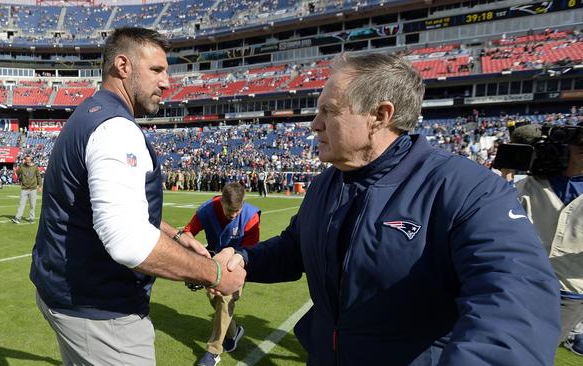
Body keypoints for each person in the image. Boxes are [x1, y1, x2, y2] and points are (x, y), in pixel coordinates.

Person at [220, 53, 561, 365]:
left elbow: (516, 306)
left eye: (329, 110)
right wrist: (245, 259)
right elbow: (296, 247)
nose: (314, 124)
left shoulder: (467, 189)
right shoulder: (327, 183)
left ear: (380, 116)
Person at [29, 27, 245, 366]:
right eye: (157, 70)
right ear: (123, 65)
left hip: (69, 294)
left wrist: (173, 234)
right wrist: (214, 274)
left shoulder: (92, 114)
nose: (167, 83)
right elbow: (127, 241)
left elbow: (110, 204)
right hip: (101, 311)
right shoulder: (115, 129)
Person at [510, 123, 583, 354]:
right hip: (521, 281)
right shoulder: (529, 185)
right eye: (578, 142)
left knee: (535, 353)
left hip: (568, 292)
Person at [182, 182, 260, 366]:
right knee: (215, 299)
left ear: (243, 203)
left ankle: (213, 351)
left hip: (237, 263)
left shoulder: (250, 216)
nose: (233, 216)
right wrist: (197, 256)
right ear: (221, 200)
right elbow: (187, 232)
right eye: (228, 211)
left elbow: (253, 250)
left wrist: (232, 257)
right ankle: (234, 333)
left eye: (237, 212)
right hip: (213, 263)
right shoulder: (207, 210)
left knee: (225, 298)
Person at [12, 155, 41, 224]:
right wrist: (21, 165)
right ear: (25, 160)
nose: (28, 161)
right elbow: (17, 172)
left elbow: (38, 176)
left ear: (31, 160)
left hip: (33, 189)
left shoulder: (35, 167)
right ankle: (18, 218)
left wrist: (40, 186)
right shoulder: (22, 166)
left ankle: (31, 219)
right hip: (24, 189)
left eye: (29, 160)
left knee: (32, 205)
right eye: (26, 160)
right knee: (21, 204)